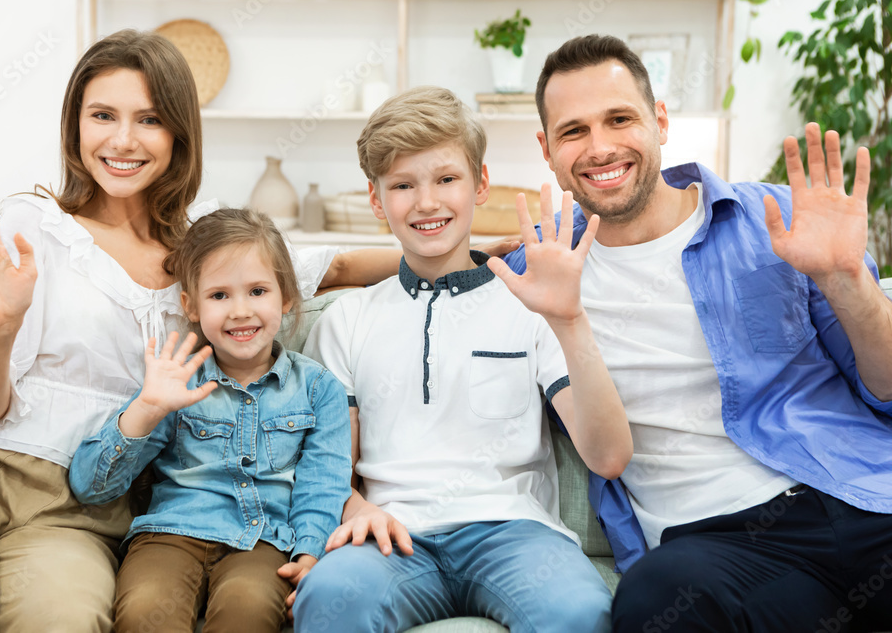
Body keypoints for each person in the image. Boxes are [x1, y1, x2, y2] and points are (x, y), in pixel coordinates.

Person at [0, 29, 385, 632]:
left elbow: (330, 268)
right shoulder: (34, 224)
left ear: (178, 133)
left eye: (148, 119)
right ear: (76, 124)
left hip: (80, 506)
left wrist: (466, 252)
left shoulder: (203, 245)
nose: (122, 140)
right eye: (102, 115)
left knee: (65, 621)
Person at [504, 34, 892, 632]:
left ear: (660, 121)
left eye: (619, 118)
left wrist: (847, 280)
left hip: (862, 494)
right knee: (652, 601)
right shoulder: (539, 275)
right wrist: (339, 268)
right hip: (721, 551)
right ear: (547, 149)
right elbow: (432, 256)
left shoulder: (777, 219)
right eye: (574, 130)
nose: (600, 147)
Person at [293, 85, 632, 633]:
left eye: (447, 179)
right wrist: (359, 512)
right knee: (330, 601)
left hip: (513, 531)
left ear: (481, 184)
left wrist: (569, 320)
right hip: (389, 535)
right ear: (377, 201)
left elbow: (610, 457)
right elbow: (331, 466)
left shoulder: (534, 307)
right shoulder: (346, 320)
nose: (427, 203)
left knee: (578, 613)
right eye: (403, 185)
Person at [68, 207, 351, 633]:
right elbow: (91, 486)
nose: (240, 310)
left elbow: (323, 484)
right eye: (219, 295)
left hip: (265, 541)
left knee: (249, 609)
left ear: (287, 297)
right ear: (192, 306)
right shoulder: (175, 379)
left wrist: (309, 554)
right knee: (145, 611)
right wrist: (147, 408)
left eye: (257, 291)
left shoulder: (317, 388)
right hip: (169, 534)